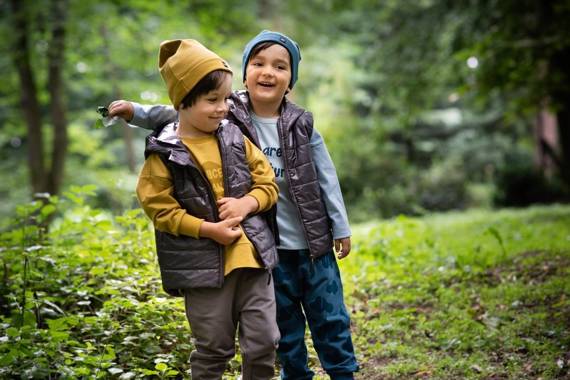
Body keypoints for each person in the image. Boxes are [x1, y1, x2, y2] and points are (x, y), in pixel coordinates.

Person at [109, 30, 358, 380]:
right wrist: (135, 111)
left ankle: (343, 373)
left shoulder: (300, 123)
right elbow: (179, 110)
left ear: (291, 80)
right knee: (281, 329)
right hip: (268, 246)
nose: (268, 72)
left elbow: (326, 178)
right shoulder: (229, 115)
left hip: (309, 244)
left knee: (327, 319)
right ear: (245, 73)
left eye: (280, 66)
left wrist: (340, 226)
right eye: (258, 63)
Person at [136, 38, 280, 379]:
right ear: (182, 102)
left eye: (226, 99)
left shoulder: (234, 138)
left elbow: (268, 184)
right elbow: (161, 210)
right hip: (202, 271)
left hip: (252, 259)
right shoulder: (165, 154)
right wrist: (208, 229)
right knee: (213, 348)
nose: (222, 108)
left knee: (264, 343)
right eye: (211, 100)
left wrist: (247, 203)